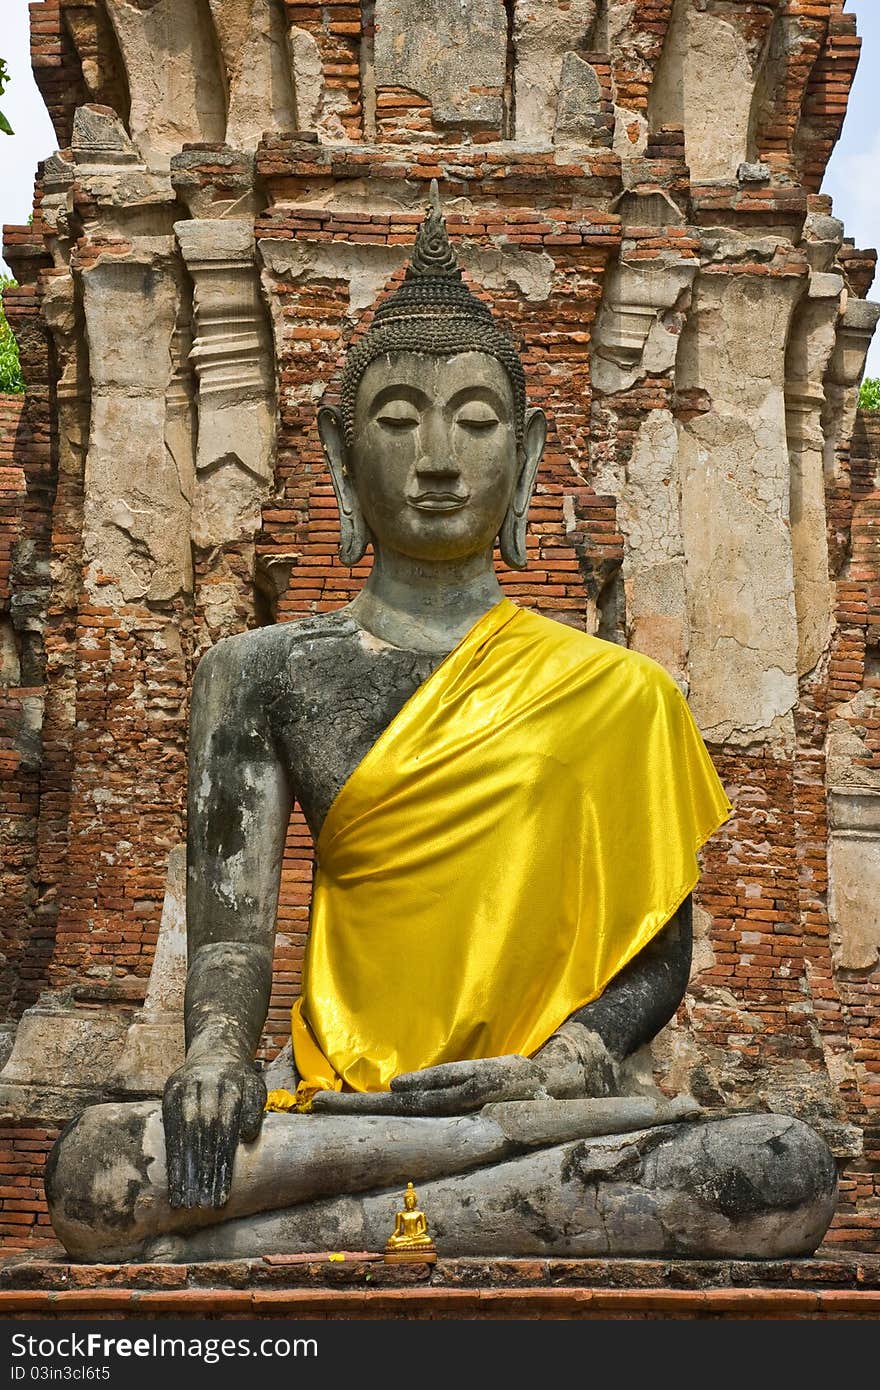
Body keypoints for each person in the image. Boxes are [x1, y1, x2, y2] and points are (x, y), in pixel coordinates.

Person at [44, 187, 836, 1264]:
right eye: (396, 421)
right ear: (336, 448)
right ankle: (443, 1192)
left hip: (537, 1101)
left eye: (471, 423)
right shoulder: (258, 671)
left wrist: (565, 1062)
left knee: (773, 1167)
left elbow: (656, 959)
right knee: (93, 1171)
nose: (433, 459)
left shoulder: (621, 692)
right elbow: (231, 934)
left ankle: (312, 1233)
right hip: (334, 1104)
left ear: (526, 447)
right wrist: (218, 1055)